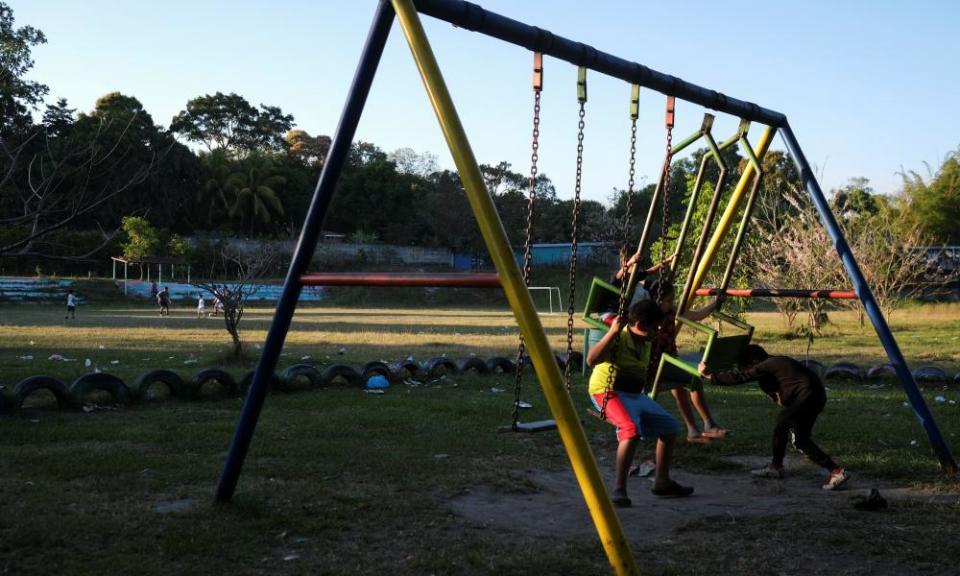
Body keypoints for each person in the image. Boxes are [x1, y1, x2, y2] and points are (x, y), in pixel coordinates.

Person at [587, 298, 694, 507]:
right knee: (630, 428)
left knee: (670, 427)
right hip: (606, 391)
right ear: (639, 326)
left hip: (635, 395)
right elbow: (591, 360)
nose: (659, 330)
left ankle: (662, 483)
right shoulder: (620, 337)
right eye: (655, 327)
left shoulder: (646, 340)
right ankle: (619, 489)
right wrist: (612, 333)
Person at [698, 344, 850, 490]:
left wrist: (710, 376)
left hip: (806, 397)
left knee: (782, 423)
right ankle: (830, 471)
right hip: (815, 397)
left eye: (745, 365)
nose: (745, 369)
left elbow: (741, 377)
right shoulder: (774, 363)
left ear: (753, 362)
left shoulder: (768, 365)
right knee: (800, 440)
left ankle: (782, 467)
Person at [646, 275, 727, 443]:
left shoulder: (670, 310)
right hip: (656, 364)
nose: (671, 303)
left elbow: (697, 315)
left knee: (681, 391)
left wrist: (716, 302)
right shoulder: (647, 315)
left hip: (670, 360)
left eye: (672, 300)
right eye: (669, 300)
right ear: (656, 299)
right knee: (693, 379)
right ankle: (708, 424)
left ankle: (692, 432)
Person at [598, 248, 672, 325]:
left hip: (622, 315)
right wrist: (630, 262)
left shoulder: (635, 276)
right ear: (624, 262)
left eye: (638, 265)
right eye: (635, 265)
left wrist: (667, 261)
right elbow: (619, 275)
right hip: (609, 314)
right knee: (626, 325)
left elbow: (652, 270)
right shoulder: (618, 277)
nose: (638, 268)